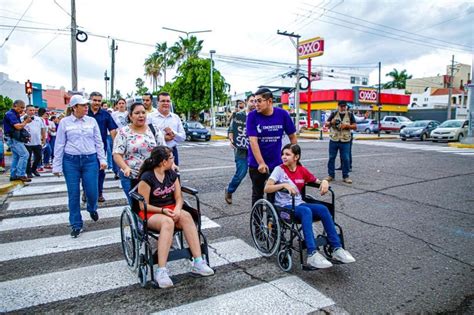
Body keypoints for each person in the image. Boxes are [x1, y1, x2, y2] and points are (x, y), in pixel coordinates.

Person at [264, 143, 356, 268]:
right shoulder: (279, 170)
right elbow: (267, 188)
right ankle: (312, 254)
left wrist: (324, 182)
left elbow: (316, 181)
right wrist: (284, 185)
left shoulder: (302, 170)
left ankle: (337, 249)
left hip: (299, 204)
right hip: (284, 207)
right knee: (306, 211)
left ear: (296, 157)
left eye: (287, 154)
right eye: (283, 154)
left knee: (323, 209)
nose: (283, 157)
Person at [137, 146, 214, 288]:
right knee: (167, 222)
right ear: (163, 162)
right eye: (171, 158)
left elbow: (179, 197)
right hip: (152, 212)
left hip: (171, 208)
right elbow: (143, 206)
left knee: (186, 216)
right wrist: (163, 210)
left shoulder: (172, 174)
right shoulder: (147, 177)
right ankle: (161, 271)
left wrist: (178, 209)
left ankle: (198, 262)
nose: (174, 160)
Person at [52, 95, 107, 238]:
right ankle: (76, 224)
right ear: (74, 107)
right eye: (83, 105)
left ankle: (91, 207)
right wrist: (56, 166)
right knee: (73, 193)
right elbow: (59, 144)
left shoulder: (91, 121)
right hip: (70, 161)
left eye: (86, 105)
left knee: (92, 191)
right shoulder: (65, 122)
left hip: (90, 160)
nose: (86, 107)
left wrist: (102, 159)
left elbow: (98, 142)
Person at [247, 88, 297, 206]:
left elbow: (293, 138)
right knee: (257, 194)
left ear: (269, 101)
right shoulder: (252, 116)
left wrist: (294, 158)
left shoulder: (282, 114)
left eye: (259, 101)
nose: (256, 104)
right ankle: (257, 223)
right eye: (254, 101)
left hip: (276, 163)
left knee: (274, 195)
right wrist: (261, 163)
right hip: (257, 164)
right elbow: (253, 141)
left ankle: (271, 223)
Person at [113, 102, 165, 205]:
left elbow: (164, 150)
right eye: (137, 113)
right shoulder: (124, 132)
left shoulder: (154, 129)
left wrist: (171, 164)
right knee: (137, 206)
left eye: (143, 112)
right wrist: (125, 168)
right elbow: (117, 154)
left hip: (152, 175)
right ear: (130, 116)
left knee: (154, 205)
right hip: (132, 176)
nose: (141, 115)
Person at [224, 94, 256, 204]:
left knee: (258, 175)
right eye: (252, 101)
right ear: (247, 102)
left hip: (255, 150)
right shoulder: (238, 115)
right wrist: (232, 140)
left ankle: (258, 199)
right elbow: (231, 130)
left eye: (256, 101)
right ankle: (229, 190)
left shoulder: (258, 116)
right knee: (241, 173)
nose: (254, 104)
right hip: (241, 151)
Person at [86, 92, 118, 202]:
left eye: (99, 101)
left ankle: (99, 193)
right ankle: (86, 192)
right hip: (85, 148)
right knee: (86, 171)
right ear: (90, 100)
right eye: (94, 100)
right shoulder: (84, 113)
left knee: (100, 170)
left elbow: (113, 130)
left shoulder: (106, 114)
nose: (97, 103)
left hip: (101, 147)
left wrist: (116, 145)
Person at [324, 101, 356, 184]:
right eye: (341, 106)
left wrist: (347, 126)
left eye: (344, 106)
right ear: (338, 106)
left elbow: (355, 126)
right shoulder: (334, 113)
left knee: (346, 158)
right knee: (331, 158)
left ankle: (346, 176)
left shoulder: (350, 114)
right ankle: (331, 175)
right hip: (334, 139)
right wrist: (331, 122)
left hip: (345, 140)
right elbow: (326, 124)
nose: (343, 108)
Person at [149, 92, 185, 166]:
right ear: (157, 102)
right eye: (163, 101)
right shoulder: (150, 117)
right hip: (156, 152)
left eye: (168, 101)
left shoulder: (176, 118)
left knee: (174, 175)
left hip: (172, 151)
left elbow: (183, 137)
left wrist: (173, 133)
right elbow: (146, 136)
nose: (166, 103)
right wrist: (163, 138)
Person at [3, 100, 32, 182]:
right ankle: (20, 174)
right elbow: (18, 127)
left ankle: (13, 175)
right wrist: (25, 121)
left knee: (16, 157)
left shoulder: (14, 114)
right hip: (13, 138)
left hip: (13, 138)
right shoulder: (10, 114)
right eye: (21, 107)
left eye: (23, 108)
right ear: (15, 106)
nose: (22, 110)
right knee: (24, 154)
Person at [23, 105, 46, 178]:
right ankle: (28, 172)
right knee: (28, 158)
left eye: (33, 110)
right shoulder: (21, 119)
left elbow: (43, 129)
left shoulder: (39, 119)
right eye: (30, 110)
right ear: (26, 111)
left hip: (37, 141)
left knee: (39, 156)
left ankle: (34, 169)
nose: (32, 112)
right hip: (27, 142)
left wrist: (44, 138)